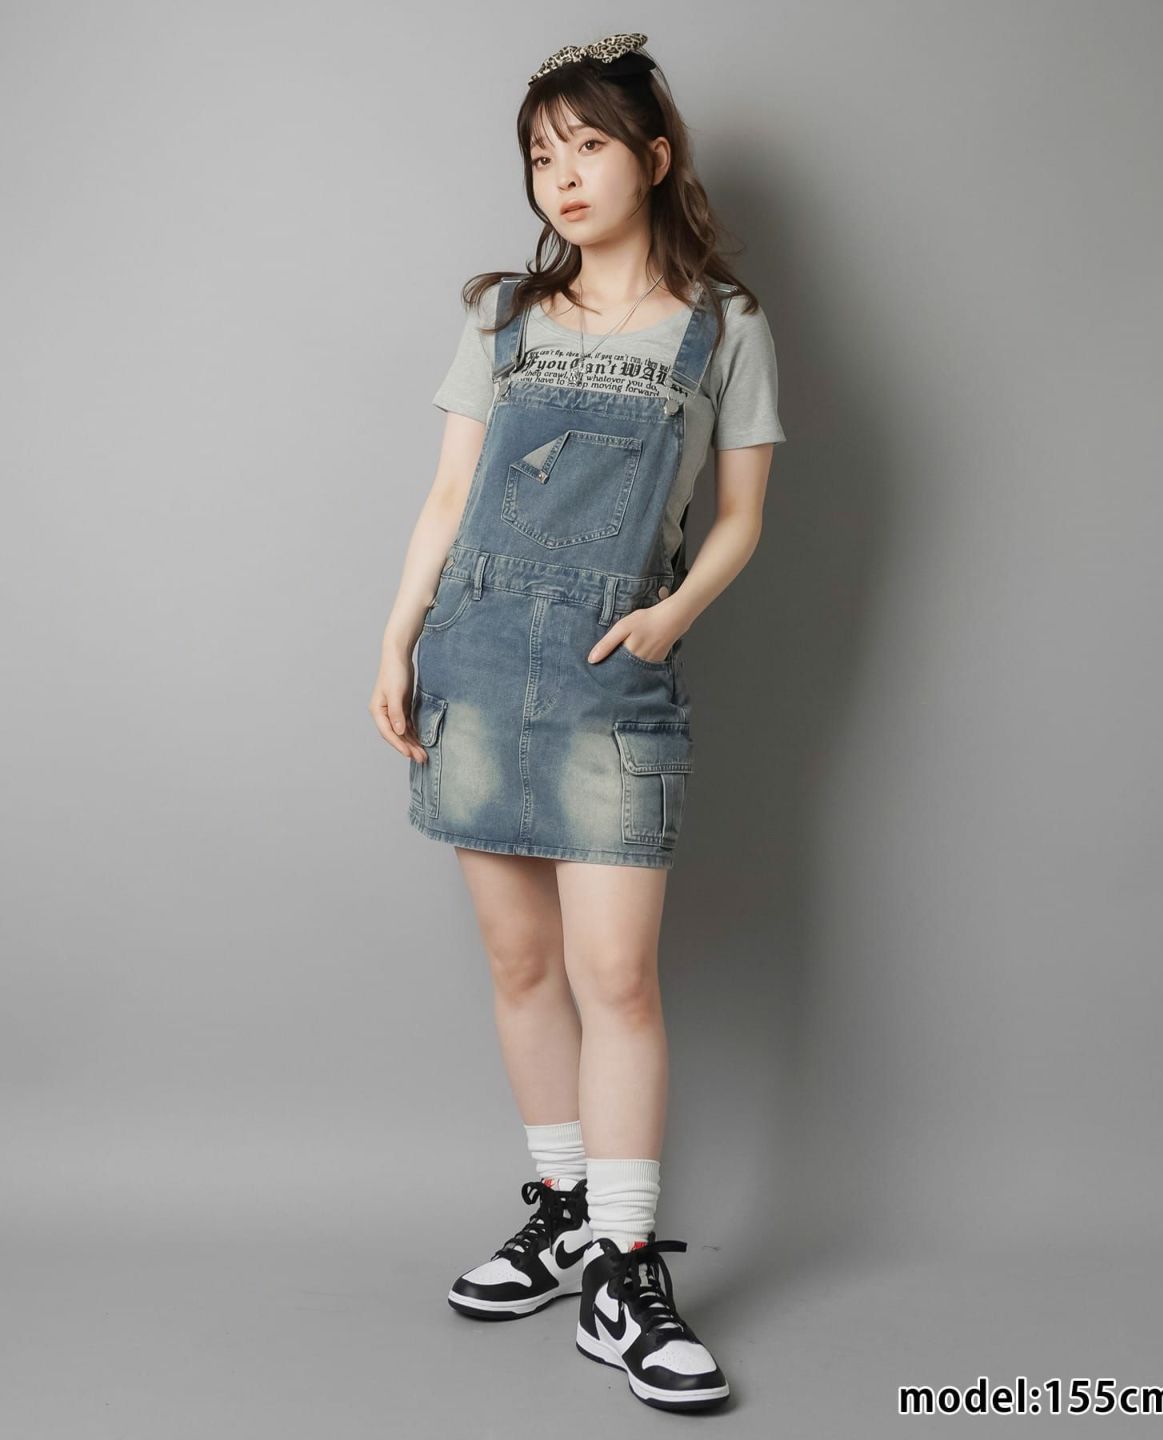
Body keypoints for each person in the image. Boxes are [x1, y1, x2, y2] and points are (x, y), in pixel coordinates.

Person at [369, 31, 785, 1414]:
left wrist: (671, 619)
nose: (562, 176)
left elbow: (741, 518)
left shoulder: (723, 326)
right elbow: (447, 499)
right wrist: (394, 638)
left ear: (652, 158)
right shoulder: (503, 317)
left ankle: (625, 1265)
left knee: (618, 979)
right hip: (476, 656)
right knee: (519, 963)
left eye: (587, 146)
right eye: (541, 155)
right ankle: (559, 1214)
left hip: (615, 670)